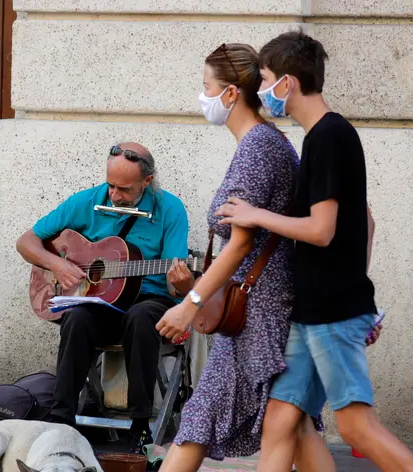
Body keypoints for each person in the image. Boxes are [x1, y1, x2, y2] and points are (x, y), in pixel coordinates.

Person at [215, 30, 413, 472]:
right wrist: (358, 293)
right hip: (314, 313)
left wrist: (256, 214)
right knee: (279, 422)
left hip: (331, 316)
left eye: (267, 77)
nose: (264, 89)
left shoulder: (329, 136)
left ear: (288, 82)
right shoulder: (321, 136)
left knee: (355, 426)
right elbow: (365, 220)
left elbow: (322, 230)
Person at [154, 42, 323, 470]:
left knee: (206, 415)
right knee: (290, 423)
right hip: (264, 303)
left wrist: (190, 306)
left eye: (206, 86)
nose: (202, 95)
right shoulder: (266, 143)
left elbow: (241, 242)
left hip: (260, 307)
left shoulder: (258, 148)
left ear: (231, 94)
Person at [16, 142, 195, 453]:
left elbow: (175, 288)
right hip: (104, 304)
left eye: (124, 189)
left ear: (147, 182)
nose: (114, 195)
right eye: (111, 184)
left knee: (141, 319)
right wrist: (58, 264)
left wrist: (184, 283)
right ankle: (61, 421)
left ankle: (140, 424)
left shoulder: (170, 209)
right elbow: (26, 242)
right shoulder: (86, 202)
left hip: (150, 300)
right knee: (77, 318)